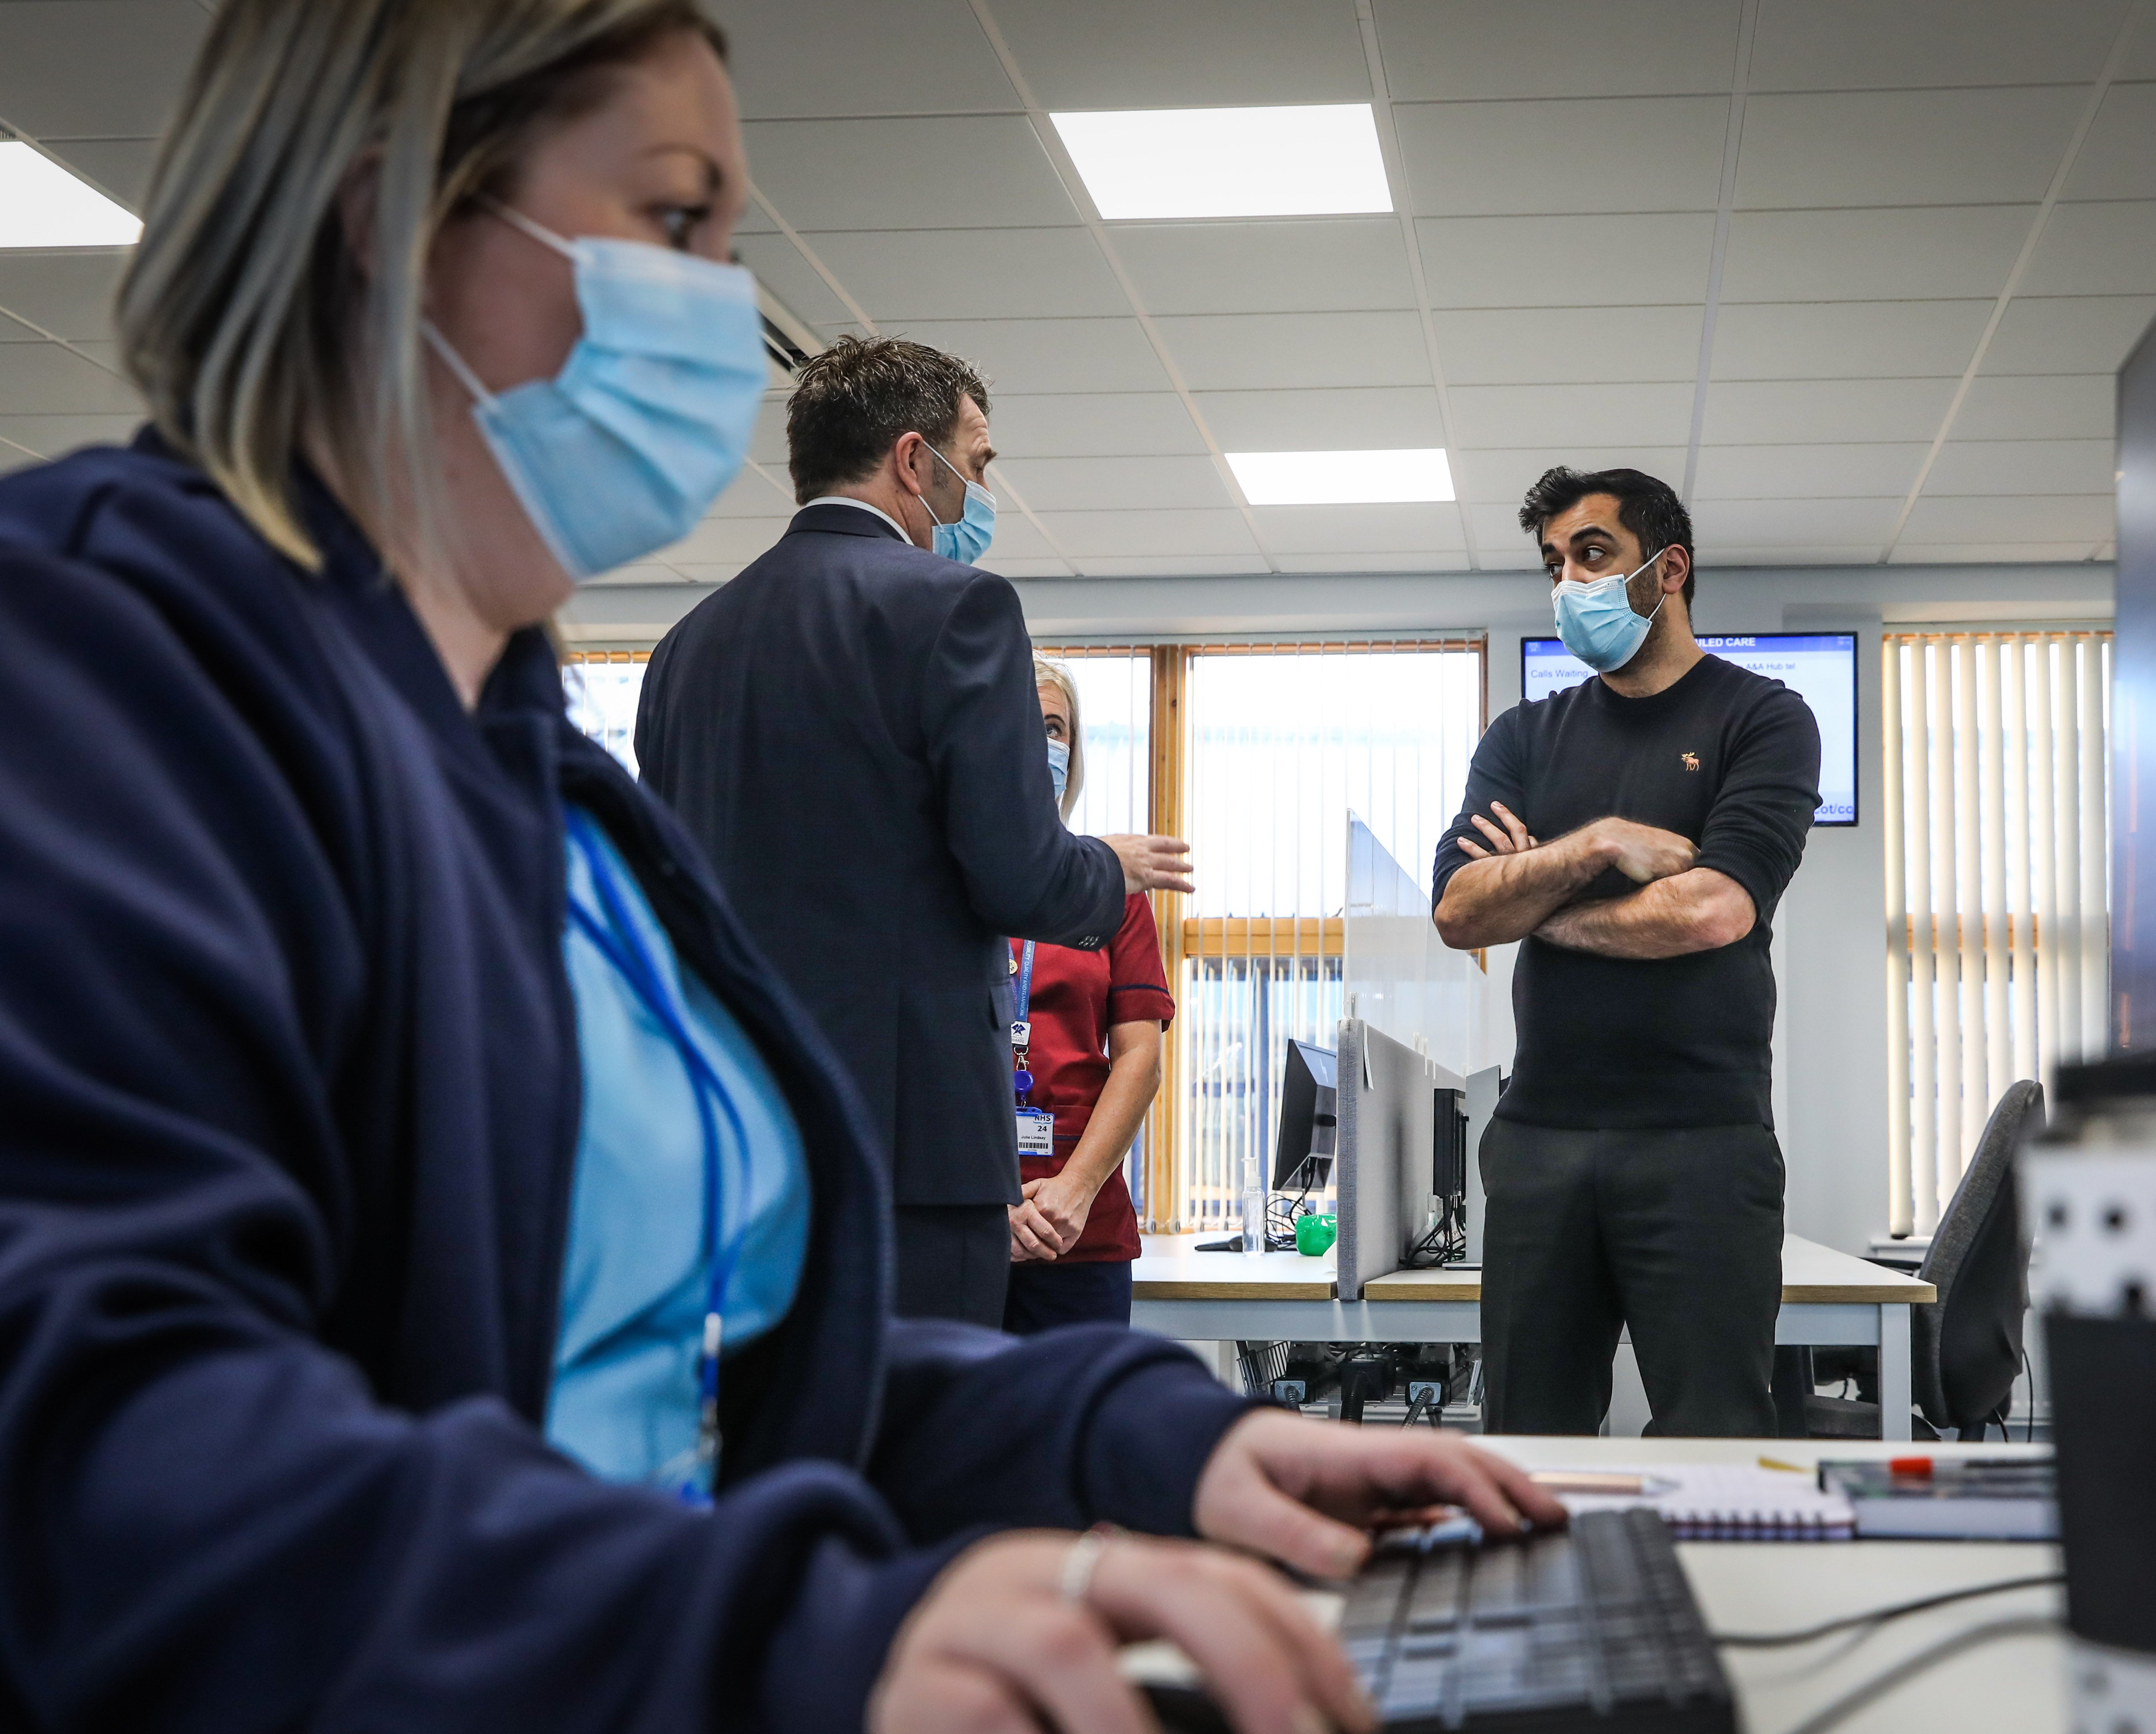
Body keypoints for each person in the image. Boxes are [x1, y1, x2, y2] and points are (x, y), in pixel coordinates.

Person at [0, 5, 1566, 1730]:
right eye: (678, 223)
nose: (717, 311)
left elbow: (700, 1374)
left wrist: (1136, 1432)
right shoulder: (84, 663)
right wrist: (779, 1630)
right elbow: (102, 1453)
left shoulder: (542, 773)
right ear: (386, 227)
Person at [636, 337, 1189, 1328]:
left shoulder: (687, 649)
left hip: (736, 1143)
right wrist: (1107, 864)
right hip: (914, 1154)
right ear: (910, 461)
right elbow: (1020, 876)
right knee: (927, 1448)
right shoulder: (957, 609)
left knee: (777, 1450)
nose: (980, 492)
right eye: (974, 466)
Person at [1432, 467, 1820, 1438]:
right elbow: (1457, 909)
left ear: (1668, 569)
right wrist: (1598, 844)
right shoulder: (1523, 736)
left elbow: (1711, 911)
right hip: (1540, 1143)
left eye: (1593, 554)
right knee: (1529, 1441)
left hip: (1703, 1143)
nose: (1570, 583)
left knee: (1718, 1439)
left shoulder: (1763, 719)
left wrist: (1539, 905)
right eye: (1554, 563)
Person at [1003, 658, 1172, 1332]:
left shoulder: (1111, 890)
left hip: (1079, 1227)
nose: (1042, 743)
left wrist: (1073, 1192)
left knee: (1078, 1433)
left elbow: (1141, 1059)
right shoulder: (936, 886)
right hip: (961, 1225)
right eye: (1023, 726)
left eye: (1054, 728)